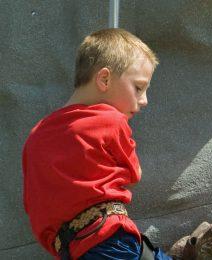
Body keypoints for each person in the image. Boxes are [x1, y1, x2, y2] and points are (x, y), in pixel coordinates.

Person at [22, 28, 172, 260]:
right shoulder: (111, 120)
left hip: (69, 249)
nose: (144, 101)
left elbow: (35, 204)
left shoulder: (36, 136)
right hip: (110, 238)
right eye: (139, 88)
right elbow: (135, 175)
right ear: (104, 79)